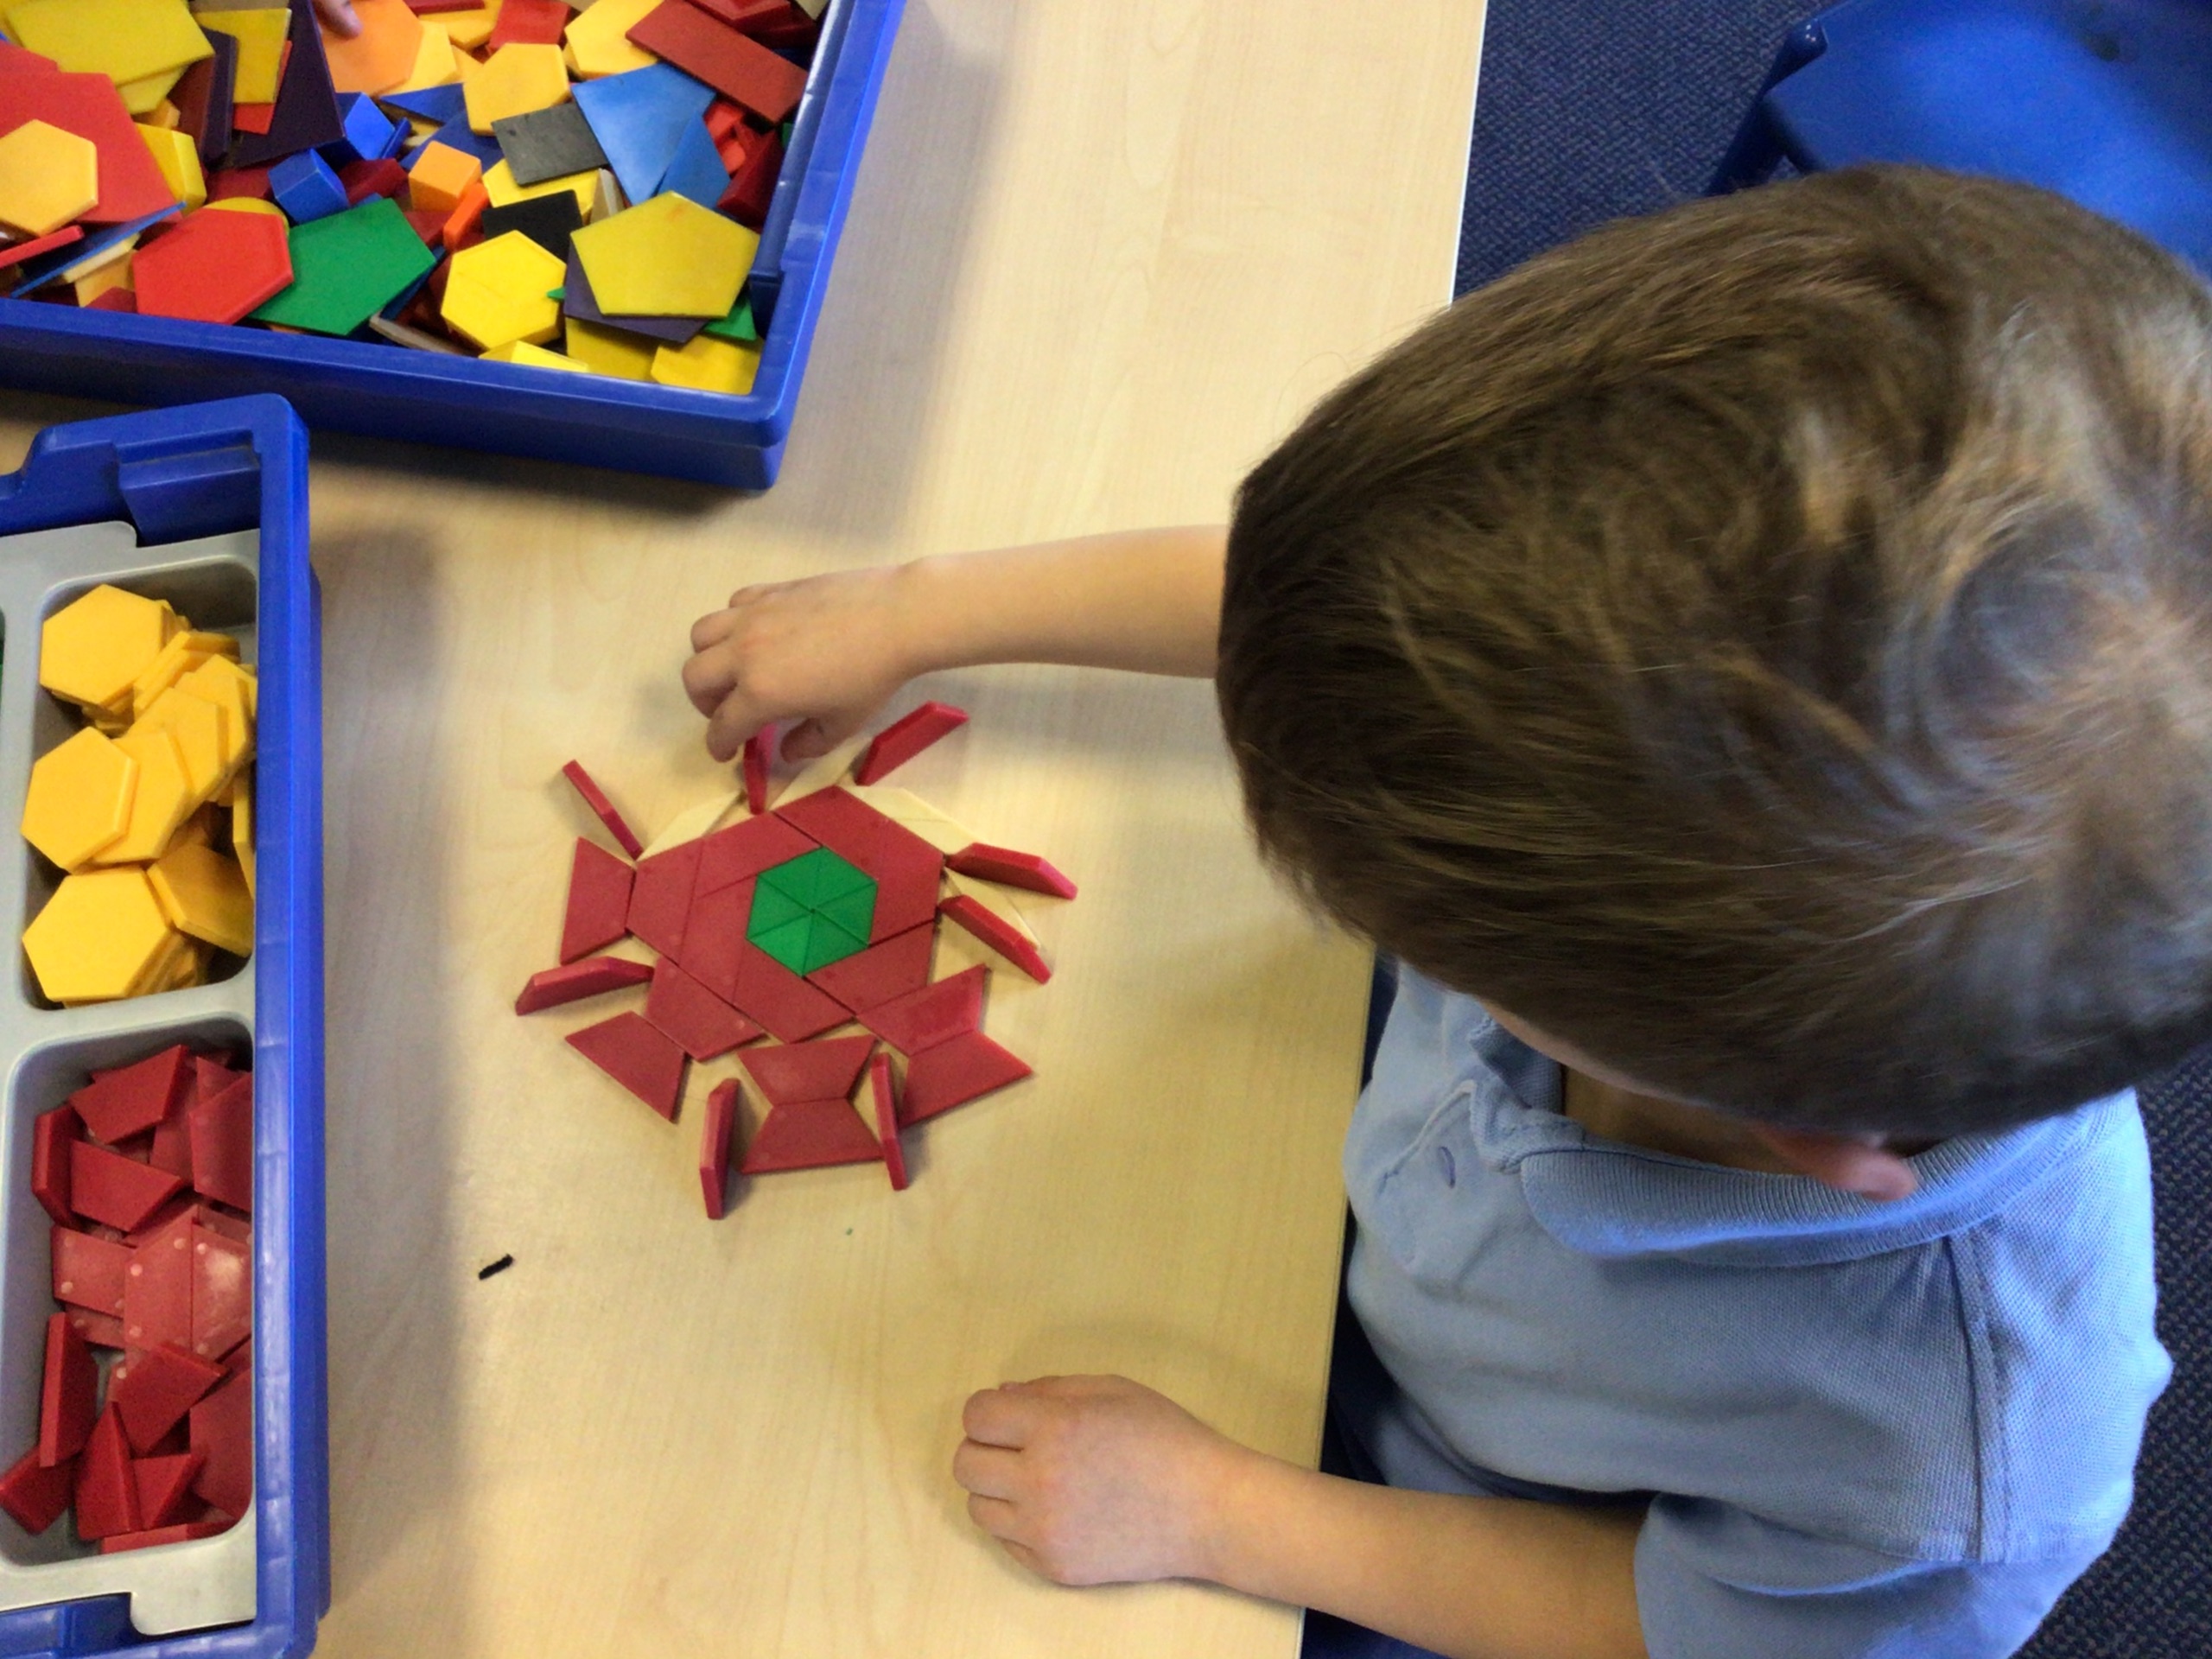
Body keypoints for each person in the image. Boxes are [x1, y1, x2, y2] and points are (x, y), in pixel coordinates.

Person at [679, 168, 2202, 1659]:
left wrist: (1220, 1516)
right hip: (1364, 1187)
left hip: (1417, 1517)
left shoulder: (1951, 1470)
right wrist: (923, 607)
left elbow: (1666, 1625)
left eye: (1439, 940)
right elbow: (1334, 603)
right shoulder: (1673, 867)